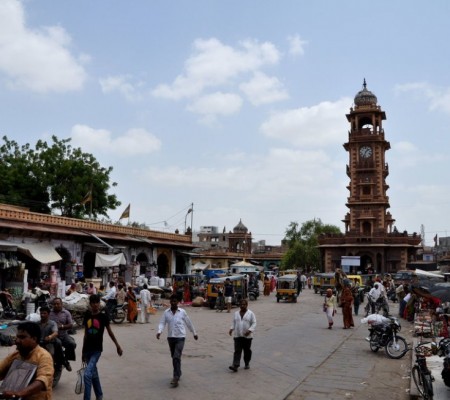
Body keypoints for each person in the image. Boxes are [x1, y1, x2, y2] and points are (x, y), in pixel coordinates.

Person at [82, 294, 123, 400]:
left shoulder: (103, 317)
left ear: (99, 303)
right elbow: (85, 334)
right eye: (93, 302)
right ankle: (99, 395)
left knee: (87, 375)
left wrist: (117, 345)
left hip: (96, 350)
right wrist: (83, 352)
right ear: (90, 304)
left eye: (97, 302)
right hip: (87, 350)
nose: (95, 304)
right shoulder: (87, 315)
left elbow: (110, 332)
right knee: (93, 373)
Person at [0, 321, 53, 399]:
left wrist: (19, 393)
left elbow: (42, 381)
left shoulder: (44, 356)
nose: (17, 341)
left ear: (34, 339)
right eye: (17, 337)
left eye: (22, 337)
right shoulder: (15, 355)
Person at [156, 294, 198, 388]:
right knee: (174, 357)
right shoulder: (166, 313)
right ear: (170, 302)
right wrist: (159, 331)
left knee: (176, 356)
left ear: (178, 302)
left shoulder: (182, 312)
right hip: (171, 338)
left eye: (175, 301)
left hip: (180, 337)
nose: (173, 303)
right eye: (172, 301)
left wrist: (194, 333)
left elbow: (188, 322)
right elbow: (162, 323)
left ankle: (175, 377)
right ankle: (178, 372)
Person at [228, 299, 257, 372]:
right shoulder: (236, 313)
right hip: (237, 335)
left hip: (247, 336)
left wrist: (250, 330)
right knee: (237, 350)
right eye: (241, 304)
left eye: (244, 304)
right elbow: (234, 322)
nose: (242, 306)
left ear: (247, 305)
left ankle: (247, 363)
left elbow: (254, 323)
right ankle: (235, 365)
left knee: (247, 351)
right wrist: (231, 329)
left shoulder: (250, 313)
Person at [49, 297, 76, 372]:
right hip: (54, 336)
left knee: (72, 344)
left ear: (61, 304)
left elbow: (71, 325)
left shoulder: (66, 313)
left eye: (58, 304)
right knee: (58, 343)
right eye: (54, 304)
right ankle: (64, 362)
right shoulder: (50, 313)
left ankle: (66, 360)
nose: (56, 305)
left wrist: (62, 326)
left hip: (64, 335)